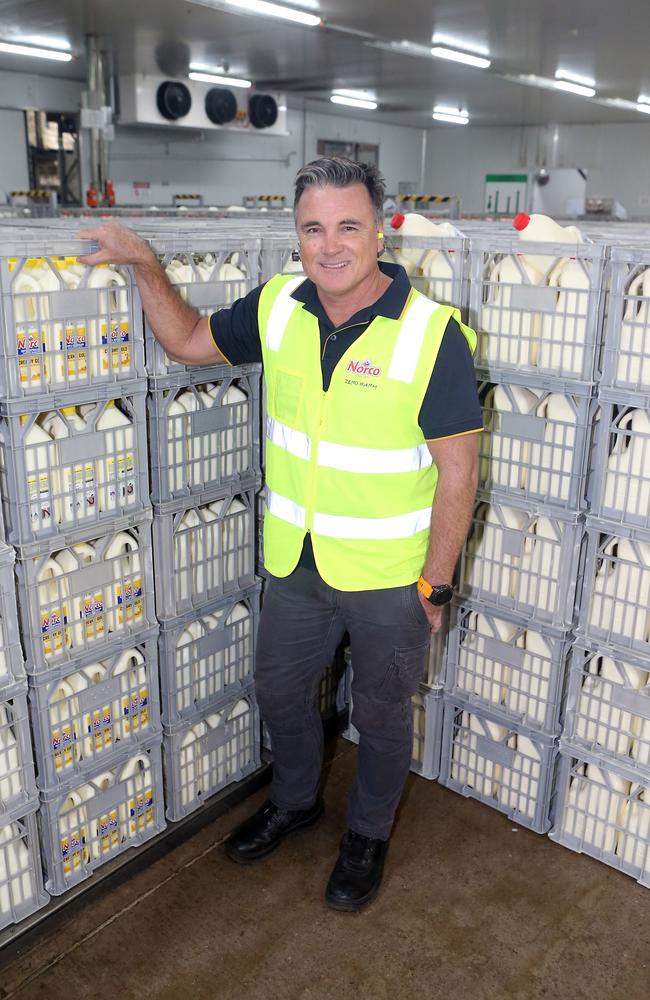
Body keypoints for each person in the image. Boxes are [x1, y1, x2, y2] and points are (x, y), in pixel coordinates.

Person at [79, 156, 482, 912]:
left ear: (380, 229)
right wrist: (142, 264)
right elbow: (191, 340)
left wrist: (435, 583)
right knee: (280, 690)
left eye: (348, 226)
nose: (330, 245)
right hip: (296, 564)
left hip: (389, 577)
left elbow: (458, 472)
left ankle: (366, 835)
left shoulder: (432, 336)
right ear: (297, 236)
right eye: (313, 228)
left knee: (382, 713)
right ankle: (297, 802)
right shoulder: (278, 306)